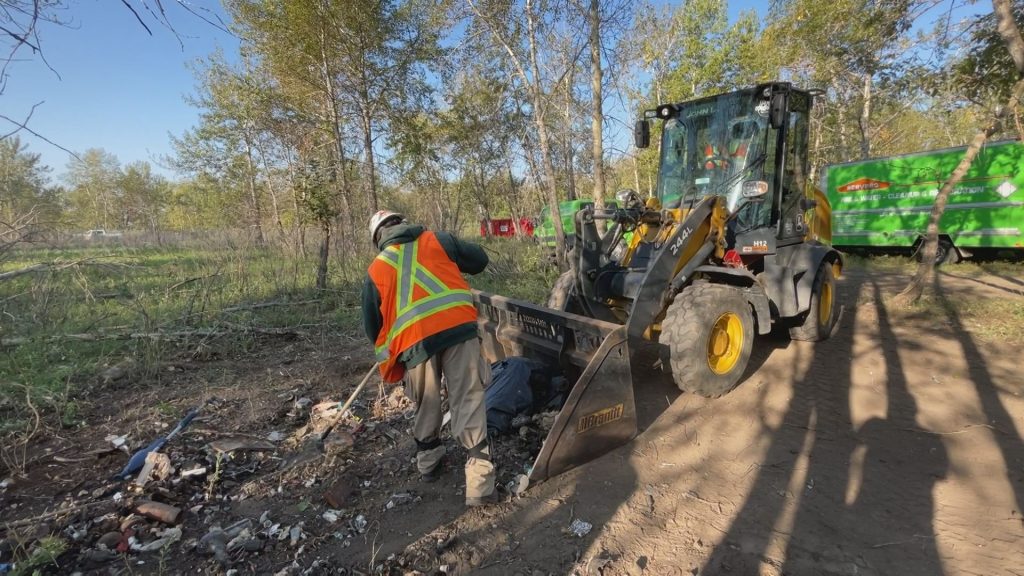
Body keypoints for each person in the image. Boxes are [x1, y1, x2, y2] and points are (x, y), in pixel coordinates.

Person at [361, 210, 498, 507]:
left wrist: (395, 352)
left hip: (415, 344)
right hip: (459, 331)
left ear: (378, 238)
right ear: (402, 222)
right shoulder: (439, 240)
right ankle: (480, 486)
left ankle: (429, 461)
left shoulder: (377, 269)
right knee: (468, 397)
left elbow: (373, 326)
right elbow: (479, 260)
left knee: (427, 400)